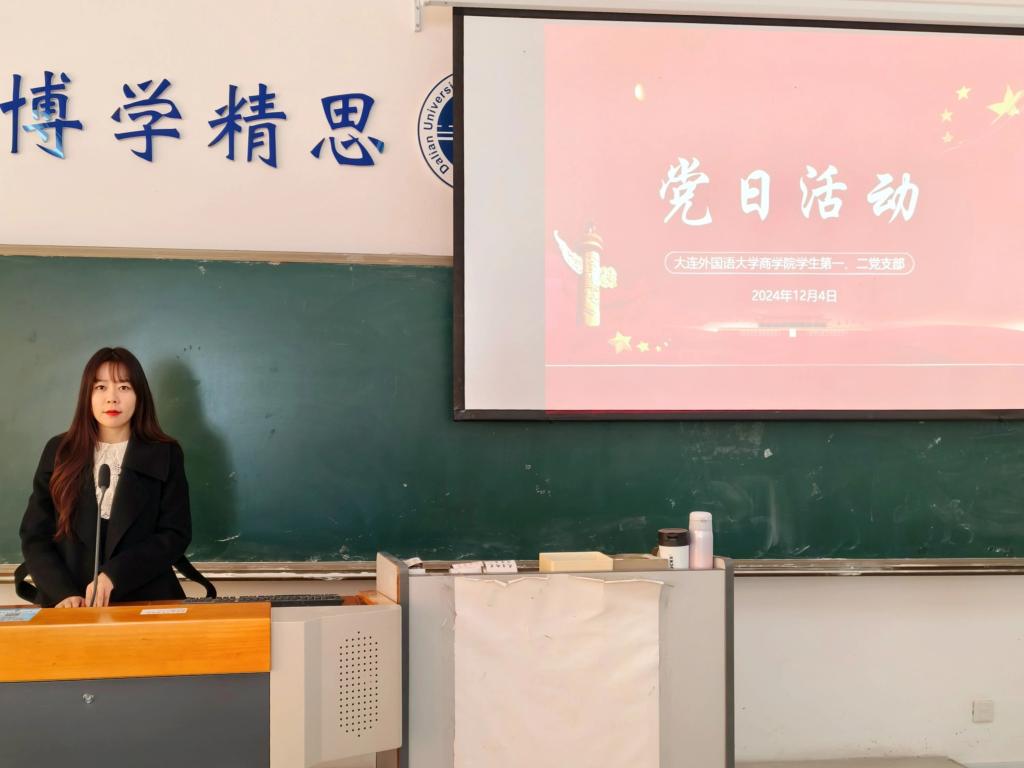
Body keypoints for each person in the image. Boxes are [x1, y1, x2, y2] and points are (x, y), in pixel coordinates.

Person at [19, 347, 191, 608]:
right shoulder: (59, 451)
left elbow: (174, 534)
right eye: (100, 387)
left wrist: (115, 575)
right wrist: (62, 593)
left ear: (139, 395)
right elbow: (35, 535)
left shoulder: (165, 453)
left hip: (146, 600)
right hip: (71, 604)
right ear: (87, 395)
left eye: (124, 387)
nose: (112, 398)